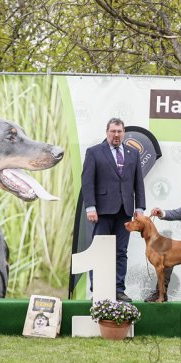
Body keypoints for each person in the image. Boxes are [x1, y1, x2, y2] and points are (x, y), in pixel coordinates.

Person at [80, 118, 145, 302]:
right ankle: (98, 291)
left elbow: (138, 183)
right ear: (107, 132)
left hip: (125, 211)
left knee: (121, 252)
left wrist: (140, 208)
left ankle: (118, 290)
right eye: (113, 131)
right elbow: (87, 182)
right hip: (101, 212)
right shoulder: (94, 152)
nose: (116, 135)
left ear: (124, 133)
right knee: (99, 251)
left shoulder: (133, 153)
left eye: (119, 131)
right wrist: (90, 207)